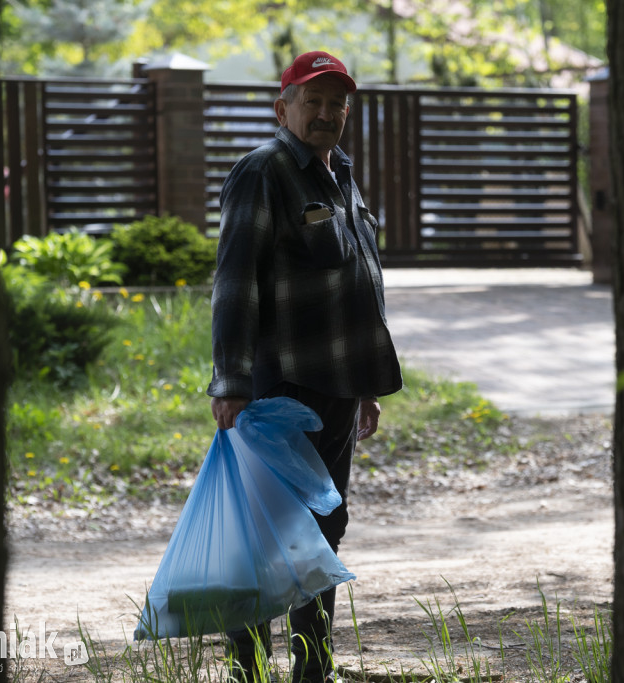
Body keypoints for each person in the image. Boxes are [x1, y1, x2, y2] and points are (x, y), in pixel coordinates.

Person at [207, 50, 403, 683]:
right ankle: (248, 668)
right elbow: (235, 283)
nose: (325, 113)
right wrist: (232, 385)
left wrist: (368, 384)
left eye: (336, 102)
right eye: (312, 101)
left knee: (324, 526)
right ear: (282, 108)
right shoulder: (263, 172)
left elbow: (357, 285)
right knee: (263, 534)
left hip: (338, 387)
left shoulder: (338, 172)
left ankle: (313, 670)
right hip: (278, 390)